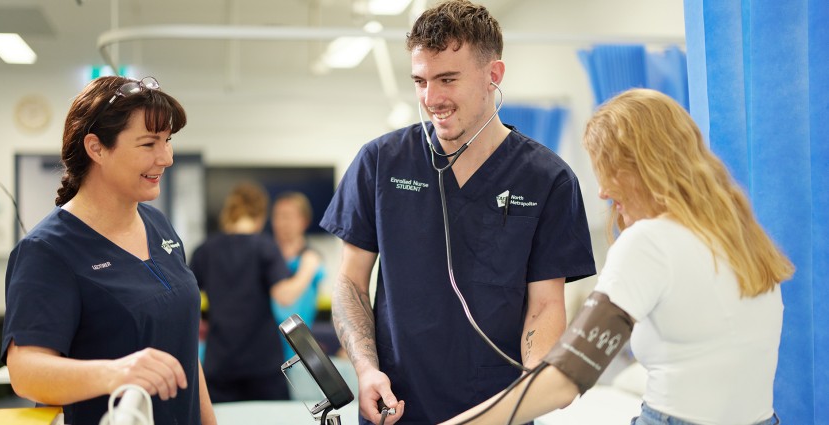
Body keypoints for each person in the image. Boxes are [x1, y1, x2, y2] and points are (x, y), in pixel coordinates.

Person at [440, 88, 794, 425]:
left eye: (610, 170)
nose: (603, 191)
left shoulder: (649, 242)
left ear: (645, 165)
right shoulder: (743, 238)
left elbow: (567, 378)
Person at [319, 1, 596, 423]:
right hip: (395, 406)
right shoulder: (381, 162)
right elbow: (351, 281)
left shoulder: (547, 180)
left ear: (493, 76)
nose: (432, 99)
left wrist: (530, 387)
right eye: (420, 81)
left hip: (497, 409)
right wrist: (365, 370)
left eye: (448, 79)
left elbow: (545, 306)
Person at [0, 76, 217, 425]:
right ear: (96, 148)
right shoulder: (48, 250)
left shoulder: (157, 225)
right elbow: (25, 372)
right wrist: (116, 373)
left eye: (168, 141)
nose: (166, 158)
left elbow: (184, 351)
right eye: (148, 144)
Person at [190, 182, 321, 403]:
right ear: (261, 214)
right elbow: (285, 296)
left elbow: (187, 298)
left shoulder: (205, 250)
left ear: (228, 213)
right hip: (263, 365)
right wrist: (309, 265)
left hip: (220, 363)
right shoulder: (265, 246)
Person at [270, 191, 325, 361]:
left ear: (304, 221)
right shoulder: (266, 259)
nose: (281, 223)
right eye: (277, 216)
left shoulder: (311, 259)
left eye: (287, 216)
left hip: (296, 354)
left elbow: (286, 300)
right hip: (264, 351)